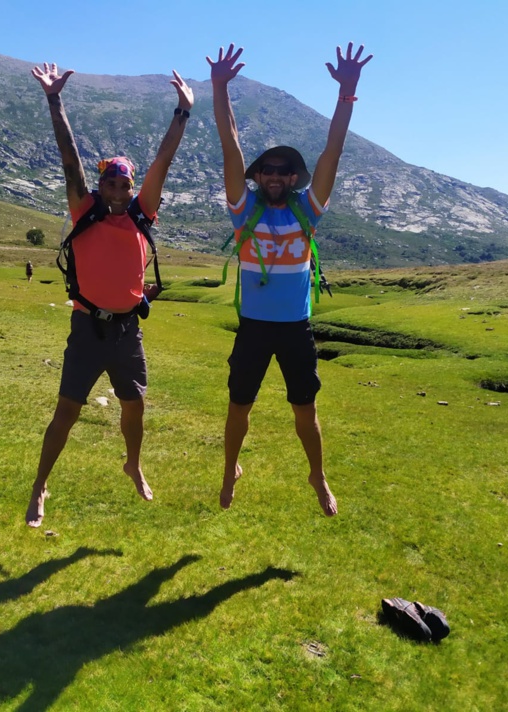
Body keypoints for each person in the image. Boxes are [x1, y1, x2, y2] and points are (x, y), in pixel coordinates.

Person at [25, 61, 194, 528]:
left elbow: (163, 162)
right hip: (87, 329)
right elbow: (68, 158)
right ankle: (40, 485)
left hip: (126, 332)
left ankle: (133, 463)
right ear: (100, 186)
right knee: (67, 412)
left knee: (135, 407)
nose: (119, 191)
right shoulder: (84, 210)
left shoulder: (143, 214)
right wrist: (54, 100)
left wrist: (182, 112)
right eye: (111, 183)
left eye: (125, 184)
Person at [208, 42, 372, 516]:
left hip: (296, 329)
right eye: (268, 170)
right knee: (239, 405)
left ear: (293, 177)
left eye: (284, 171)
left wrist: (347, 94)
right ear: (257, 175)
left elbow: (332, 153)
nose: (275, 175)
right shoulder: (244, 211)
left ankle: (317, 476)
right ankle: (229, 470)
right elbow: (230, 141)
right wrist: (220, 88)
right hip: (254, 328)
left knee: (306, 410)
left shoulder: (307, 211)